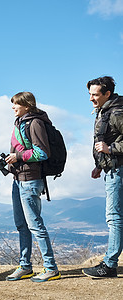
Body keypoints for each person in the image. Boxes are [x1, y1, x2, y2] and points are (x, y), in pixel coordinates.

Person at [4, 92, 61, 282]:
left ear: (27, 106)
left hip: (30, 180)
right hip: (18, 179)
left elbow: (42, 152)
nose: (13, 107)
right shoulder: (20, 122)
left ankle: (51, 268)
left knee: (35, 225)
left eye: (16, 105)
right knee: (22, 225)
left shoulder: (34, 123)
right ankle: (25, 266)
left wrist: (18, 157)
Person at [82, 76, 123, 278]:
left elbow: (110, 144)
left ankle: (109, 265)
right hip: (111, 168)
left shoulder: (117, 112)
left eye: (95, 94)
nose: (91, 98)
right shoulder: (104, 110)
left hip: (118, 170)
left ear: (107, 94)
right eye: (89, 94)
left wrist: (110, 149)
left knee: (114, 218)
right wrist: (99, 164)